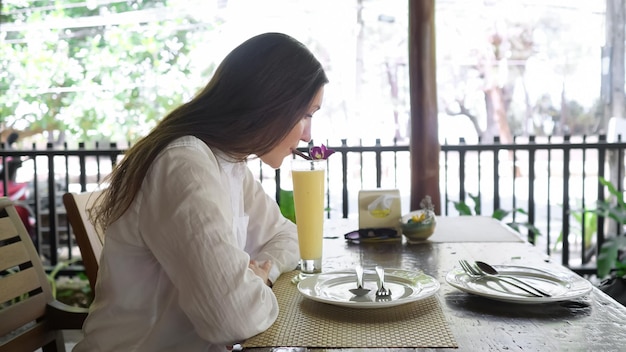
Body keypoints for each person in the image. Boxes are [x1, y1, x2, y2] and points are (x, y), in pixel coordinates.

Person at [73, 32, 328, 351]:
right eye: (306, 114)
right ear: (270, 101)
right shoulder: (184, 164)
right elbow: (234, 318)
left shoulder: (229, 163)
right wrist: (254, 284)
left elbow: (289, 236)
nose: (308, 136)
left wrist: (264, 274)